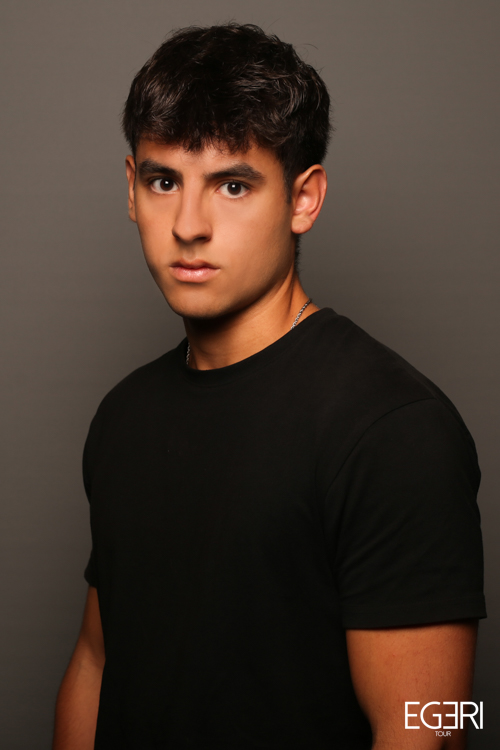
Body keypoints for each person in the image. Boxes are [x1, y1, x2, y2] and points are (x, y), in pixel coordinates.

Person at [52, 23, 486, 750]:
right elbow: (98, 662)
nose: (189, 225)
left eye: (233, 185)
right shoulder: (123, 415)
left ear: (303, 198)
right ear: (131, 188)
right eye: (164, 182)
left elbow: (435, 727)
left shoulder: (394, 429)